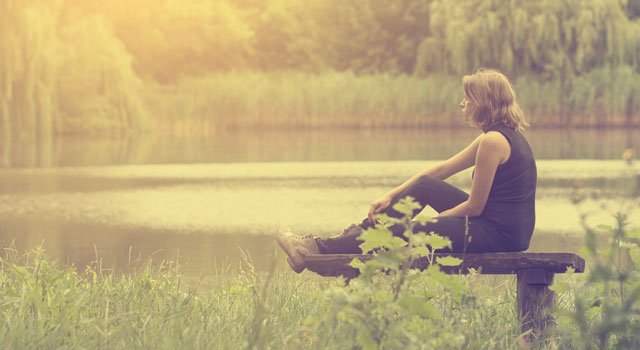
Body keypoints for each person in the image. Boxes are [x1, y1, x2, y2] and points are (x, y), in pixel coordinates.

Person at [277, 69, 537, 273]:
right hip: (494, 224)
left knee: (407, 230)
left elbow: (475, 207)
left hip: (500, 235)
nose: (462, 103)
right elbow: (443, 170)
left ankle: (315, 249)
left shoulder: (494, 142)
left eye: (468, 98)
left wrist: (434, 223)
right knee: (425, 185)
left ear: (483, 102)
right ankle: (357, 234)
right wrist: (391, 196)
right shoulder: (497, 136)